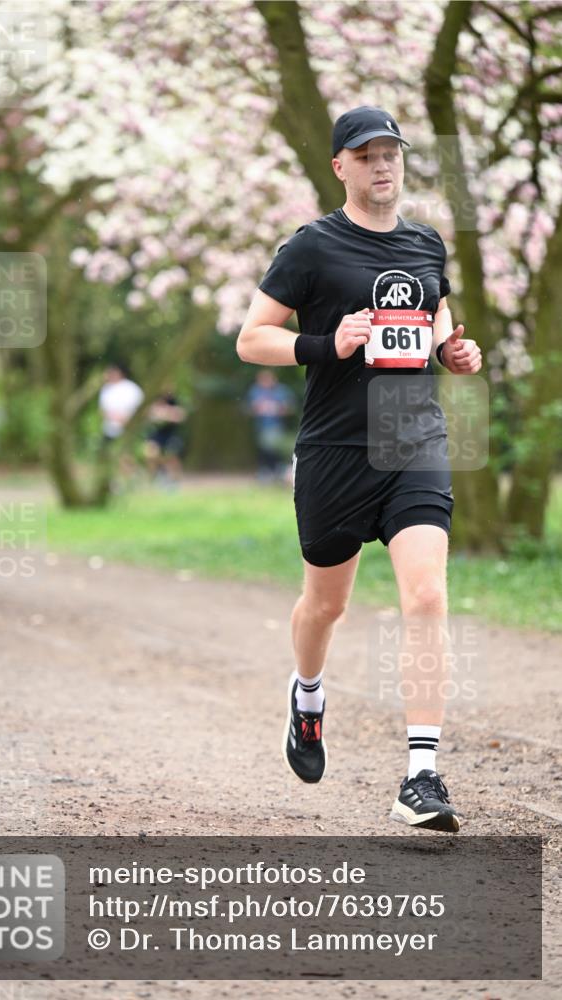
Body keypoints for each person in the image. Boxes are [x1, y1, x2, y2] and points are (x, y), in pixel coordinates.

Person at [237, 106, 481, 833]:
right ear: (339, 166)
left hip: (411, 442)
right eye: (366, 154)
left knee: (427, 595)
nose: (382, 166)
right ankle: (307, 695)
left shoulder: (425, 243)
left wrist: (451, 353)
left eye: (392, 155)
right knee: (325, 607)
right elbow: (253, 339)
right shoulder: (311, 247)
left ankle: (421, 775)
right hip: (335, 451)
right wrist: (324, 342)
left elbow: (435, 317)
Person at [246, 369, 295, 480]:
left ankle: (276, 471)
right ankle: (267, 472)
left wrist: (276, 408)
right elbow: (249, 408)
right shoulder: (255, 391)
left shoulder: (281, 391)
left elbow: (290, 408)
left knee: (273, 448)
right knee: (264, 449)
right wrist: (258, 408)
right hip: (260, 426)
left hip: (277, 426)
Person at [144, 390, 187, 486]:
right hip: (156, 434)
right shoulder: (153, 399)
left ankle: (176, 481)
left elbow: (180, 416)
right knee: (150, 453)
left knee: (172, 457)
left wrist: (165, 415)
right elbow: (149, 414)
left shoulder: (175, 401)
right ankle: (152, 481)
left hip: (172, 433)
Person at [98, 363, 144, 444]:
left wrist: (126, 419)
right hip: (109, 429)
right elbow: (102, 410)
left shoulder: (131, 388)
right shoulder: (106, 388)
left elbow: (140, 408)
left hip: (130, 427)